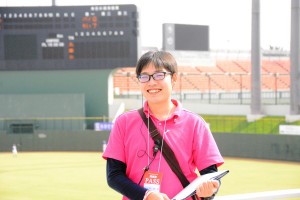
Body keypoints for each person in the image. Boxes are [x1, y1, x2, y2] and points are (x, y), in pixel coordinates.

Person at [102, 51, 224, 200]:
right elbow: (114, 176)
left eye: (159, 75)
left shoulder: (195, 123)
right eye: (144, 76)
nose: (151, 82)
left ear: (173, 78)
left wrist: (209, 192)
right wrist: (146, 195)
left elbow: (211, 176)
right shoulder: (124, 122)